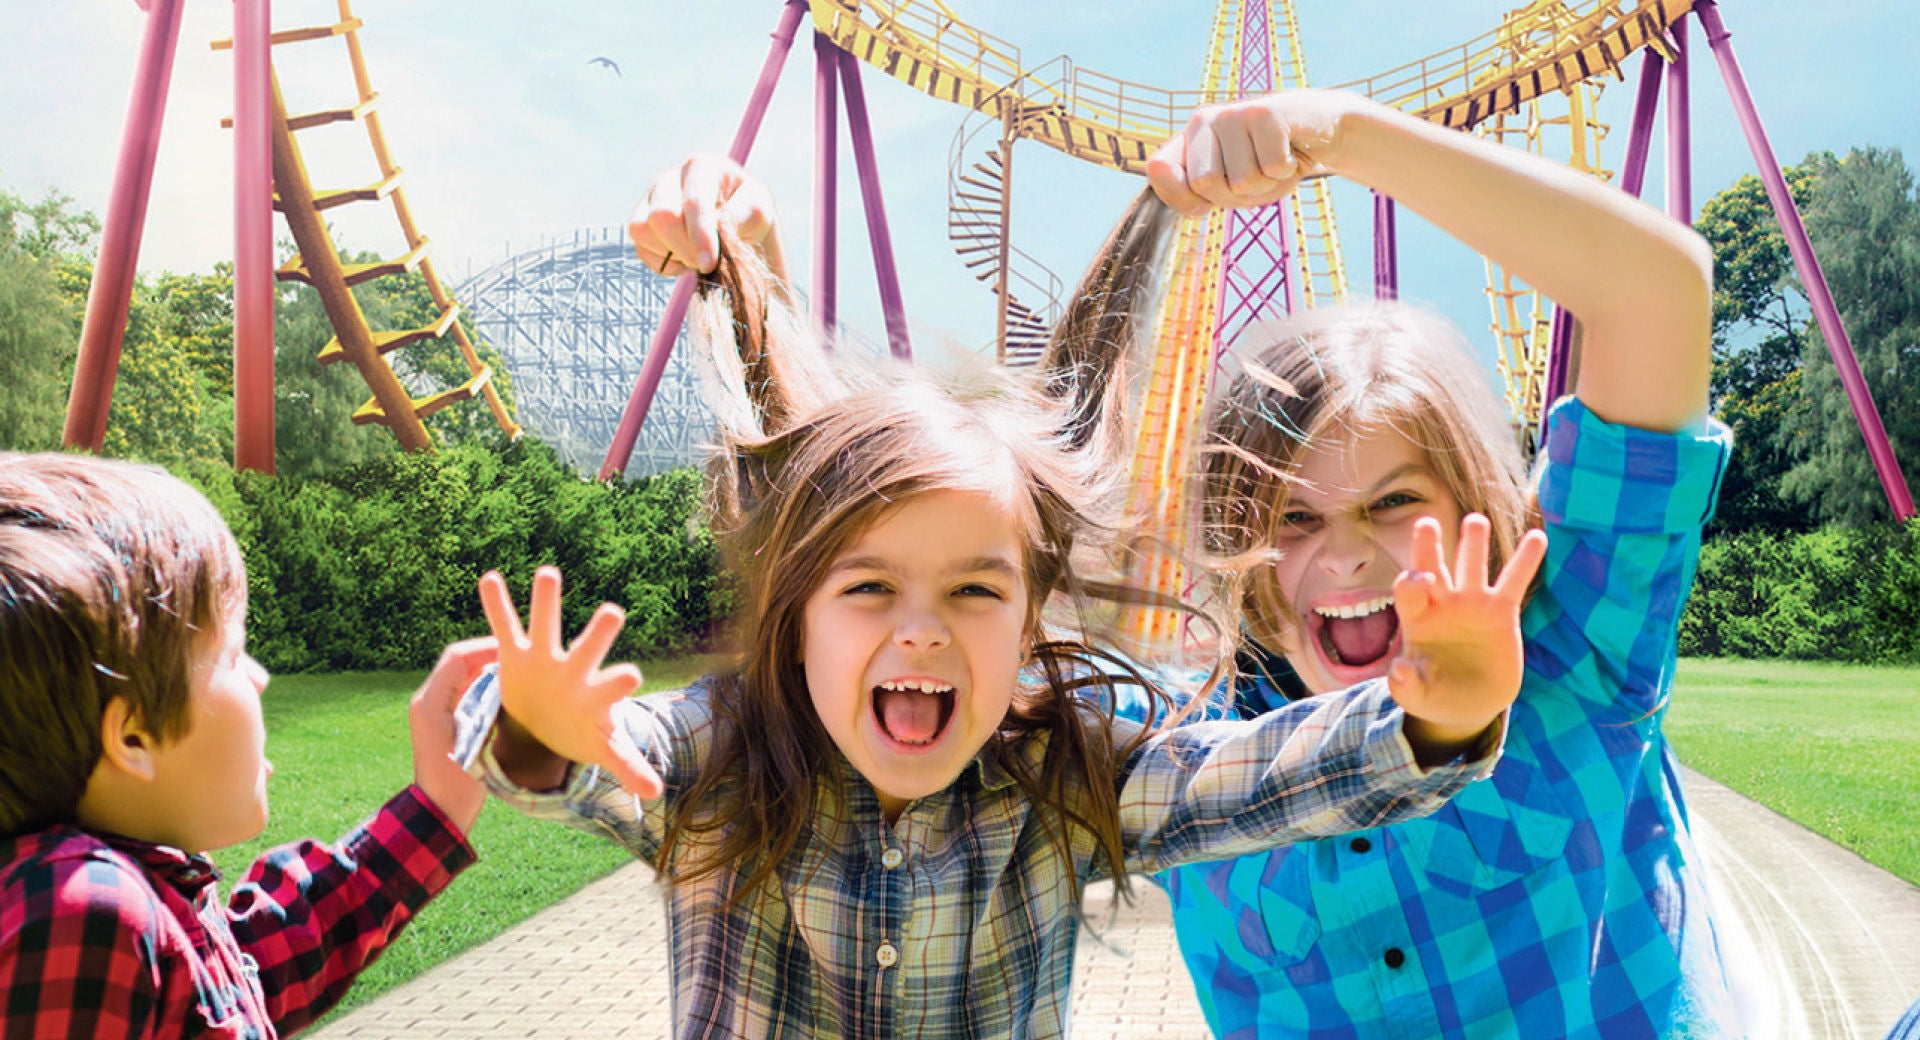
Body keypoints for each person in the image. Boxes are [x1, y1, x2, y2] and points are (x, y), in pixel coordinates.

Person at [447, 191, 1549, 1039]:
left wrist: (1430, 718)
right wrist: (539, 730)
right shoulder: (728, 747)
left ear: (1028, 623)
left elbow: (1262, 773)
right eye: (870, 587)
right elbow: (602, 753)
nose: (922, 630)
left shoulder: (1066, 771)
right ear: (798, 617)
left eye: (974, 590)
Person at [1099, 87, 1741, 1037]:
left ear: (1472, 502)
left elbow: (1657, 292)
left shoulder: (1574, 647)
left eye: (1394, 502)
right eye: (1294, 519)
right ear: (1240, 543)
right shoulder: (1183, 743)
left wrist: (1337, 133)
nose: (1349, 554)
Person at [0, 453, 492, 1039]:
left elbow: (253, 973)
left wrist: (439, 805)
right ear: (133, 735)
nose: (260, 677)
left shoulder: (136, 908)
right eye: (232, 655)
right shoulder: (83, 914)